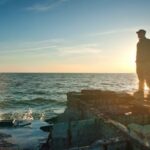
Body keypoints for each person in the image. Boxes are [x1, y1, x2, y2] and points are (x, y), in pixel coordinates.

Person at [134, 29, 150, 98]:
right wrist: (137, 60)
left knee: (148, 77)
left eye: (139, 33)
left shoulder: (148, 41)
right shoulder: (138, 43)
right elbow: (138, 53)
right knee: (140, 77)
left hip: (146, 63)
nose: (138, 35)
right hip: (139, 63)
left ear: (143, 34)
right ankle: (140, 91)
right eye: (137, 34)